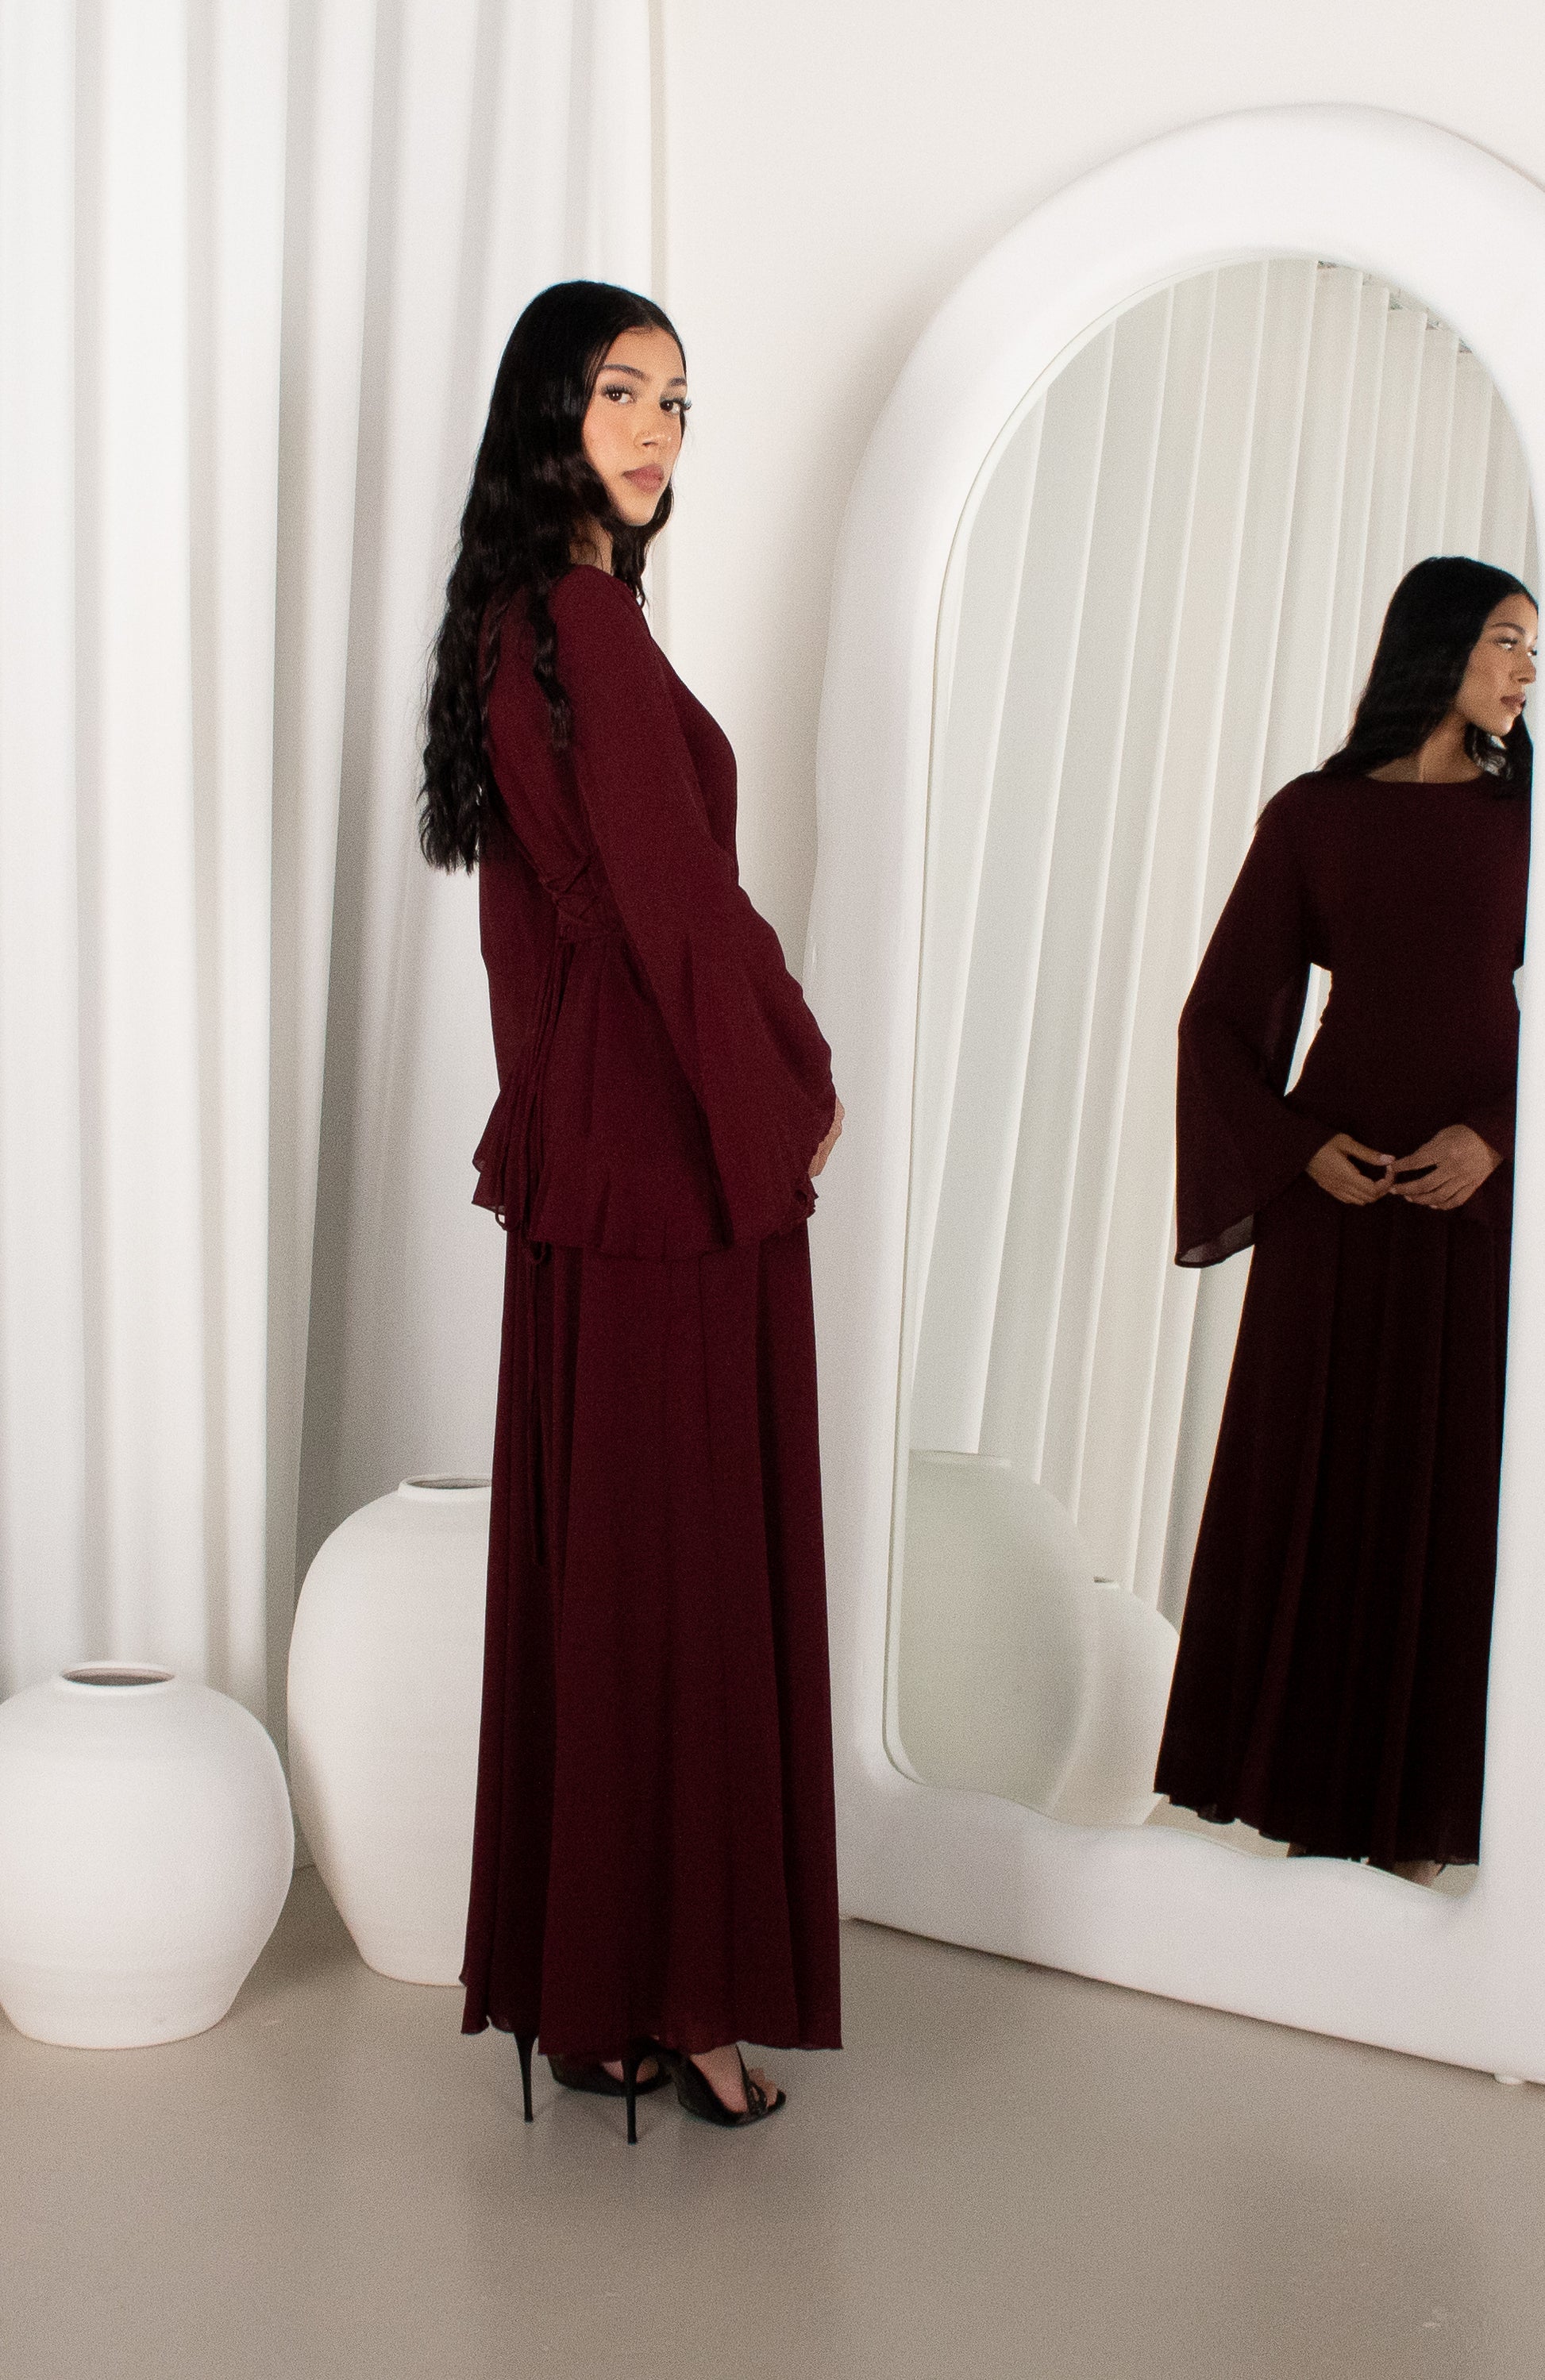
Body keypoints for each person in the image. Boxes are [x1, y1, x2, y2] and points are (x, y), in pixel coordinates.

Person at [418, 280, 845, 2139]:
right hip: (668, 1135)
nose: (660, 426)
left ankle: (602, 1987)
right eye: (620, 391)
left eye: (678, 397)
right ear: (551, 412)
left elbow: (566, 928)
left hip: (609, 1132)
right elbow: (674, 899)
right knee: (680, 1563)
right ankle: (688, 1997)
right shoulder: (579, 616)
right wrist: (791, 1084)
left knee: (618, 1560)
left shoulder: (524, 618)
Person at [1154, 556, 1534, 1883]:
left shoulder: (1529, 821)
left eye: (1531, 649)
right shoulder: (1313, 815)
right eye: (1505, 640)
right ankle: (1298, 1808)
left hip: (1475, 1205)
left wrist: (1495, 1137)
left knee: (1449, 1489)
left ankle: (1420, 1836)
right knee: (1314, 1480)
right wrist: (1295, 1148)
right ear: (1438, 644)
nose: (1524, 670)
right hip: (1341, 1194)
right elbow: (1217, 1017)